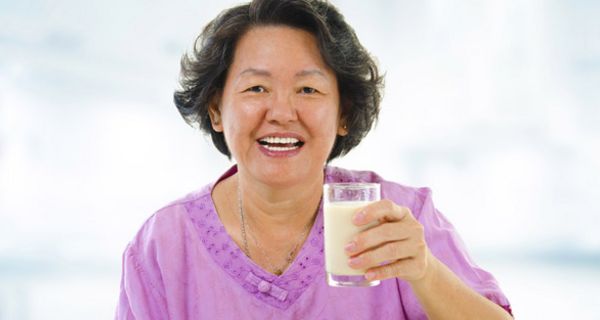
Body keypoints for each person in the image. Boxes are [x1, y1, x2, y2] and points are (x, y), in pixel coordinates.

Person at [115, 0, 512, 319]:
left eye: (308, 89)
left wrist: (424, 271)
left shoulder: (399, 217)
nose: (282, 112)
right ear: (216, 109)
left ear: (343, 113)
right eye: (256, 87)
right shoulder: (163, 245)